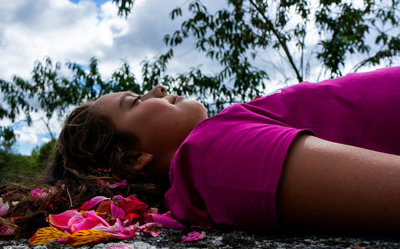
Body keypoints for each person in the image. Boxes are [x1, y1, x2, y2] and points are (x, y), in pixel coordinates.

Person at [2, 67, 400, 237]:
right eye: (136, 100)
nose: (156, 89)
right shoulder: (210, 158)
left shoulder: (216, 142)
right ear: (133, 159)